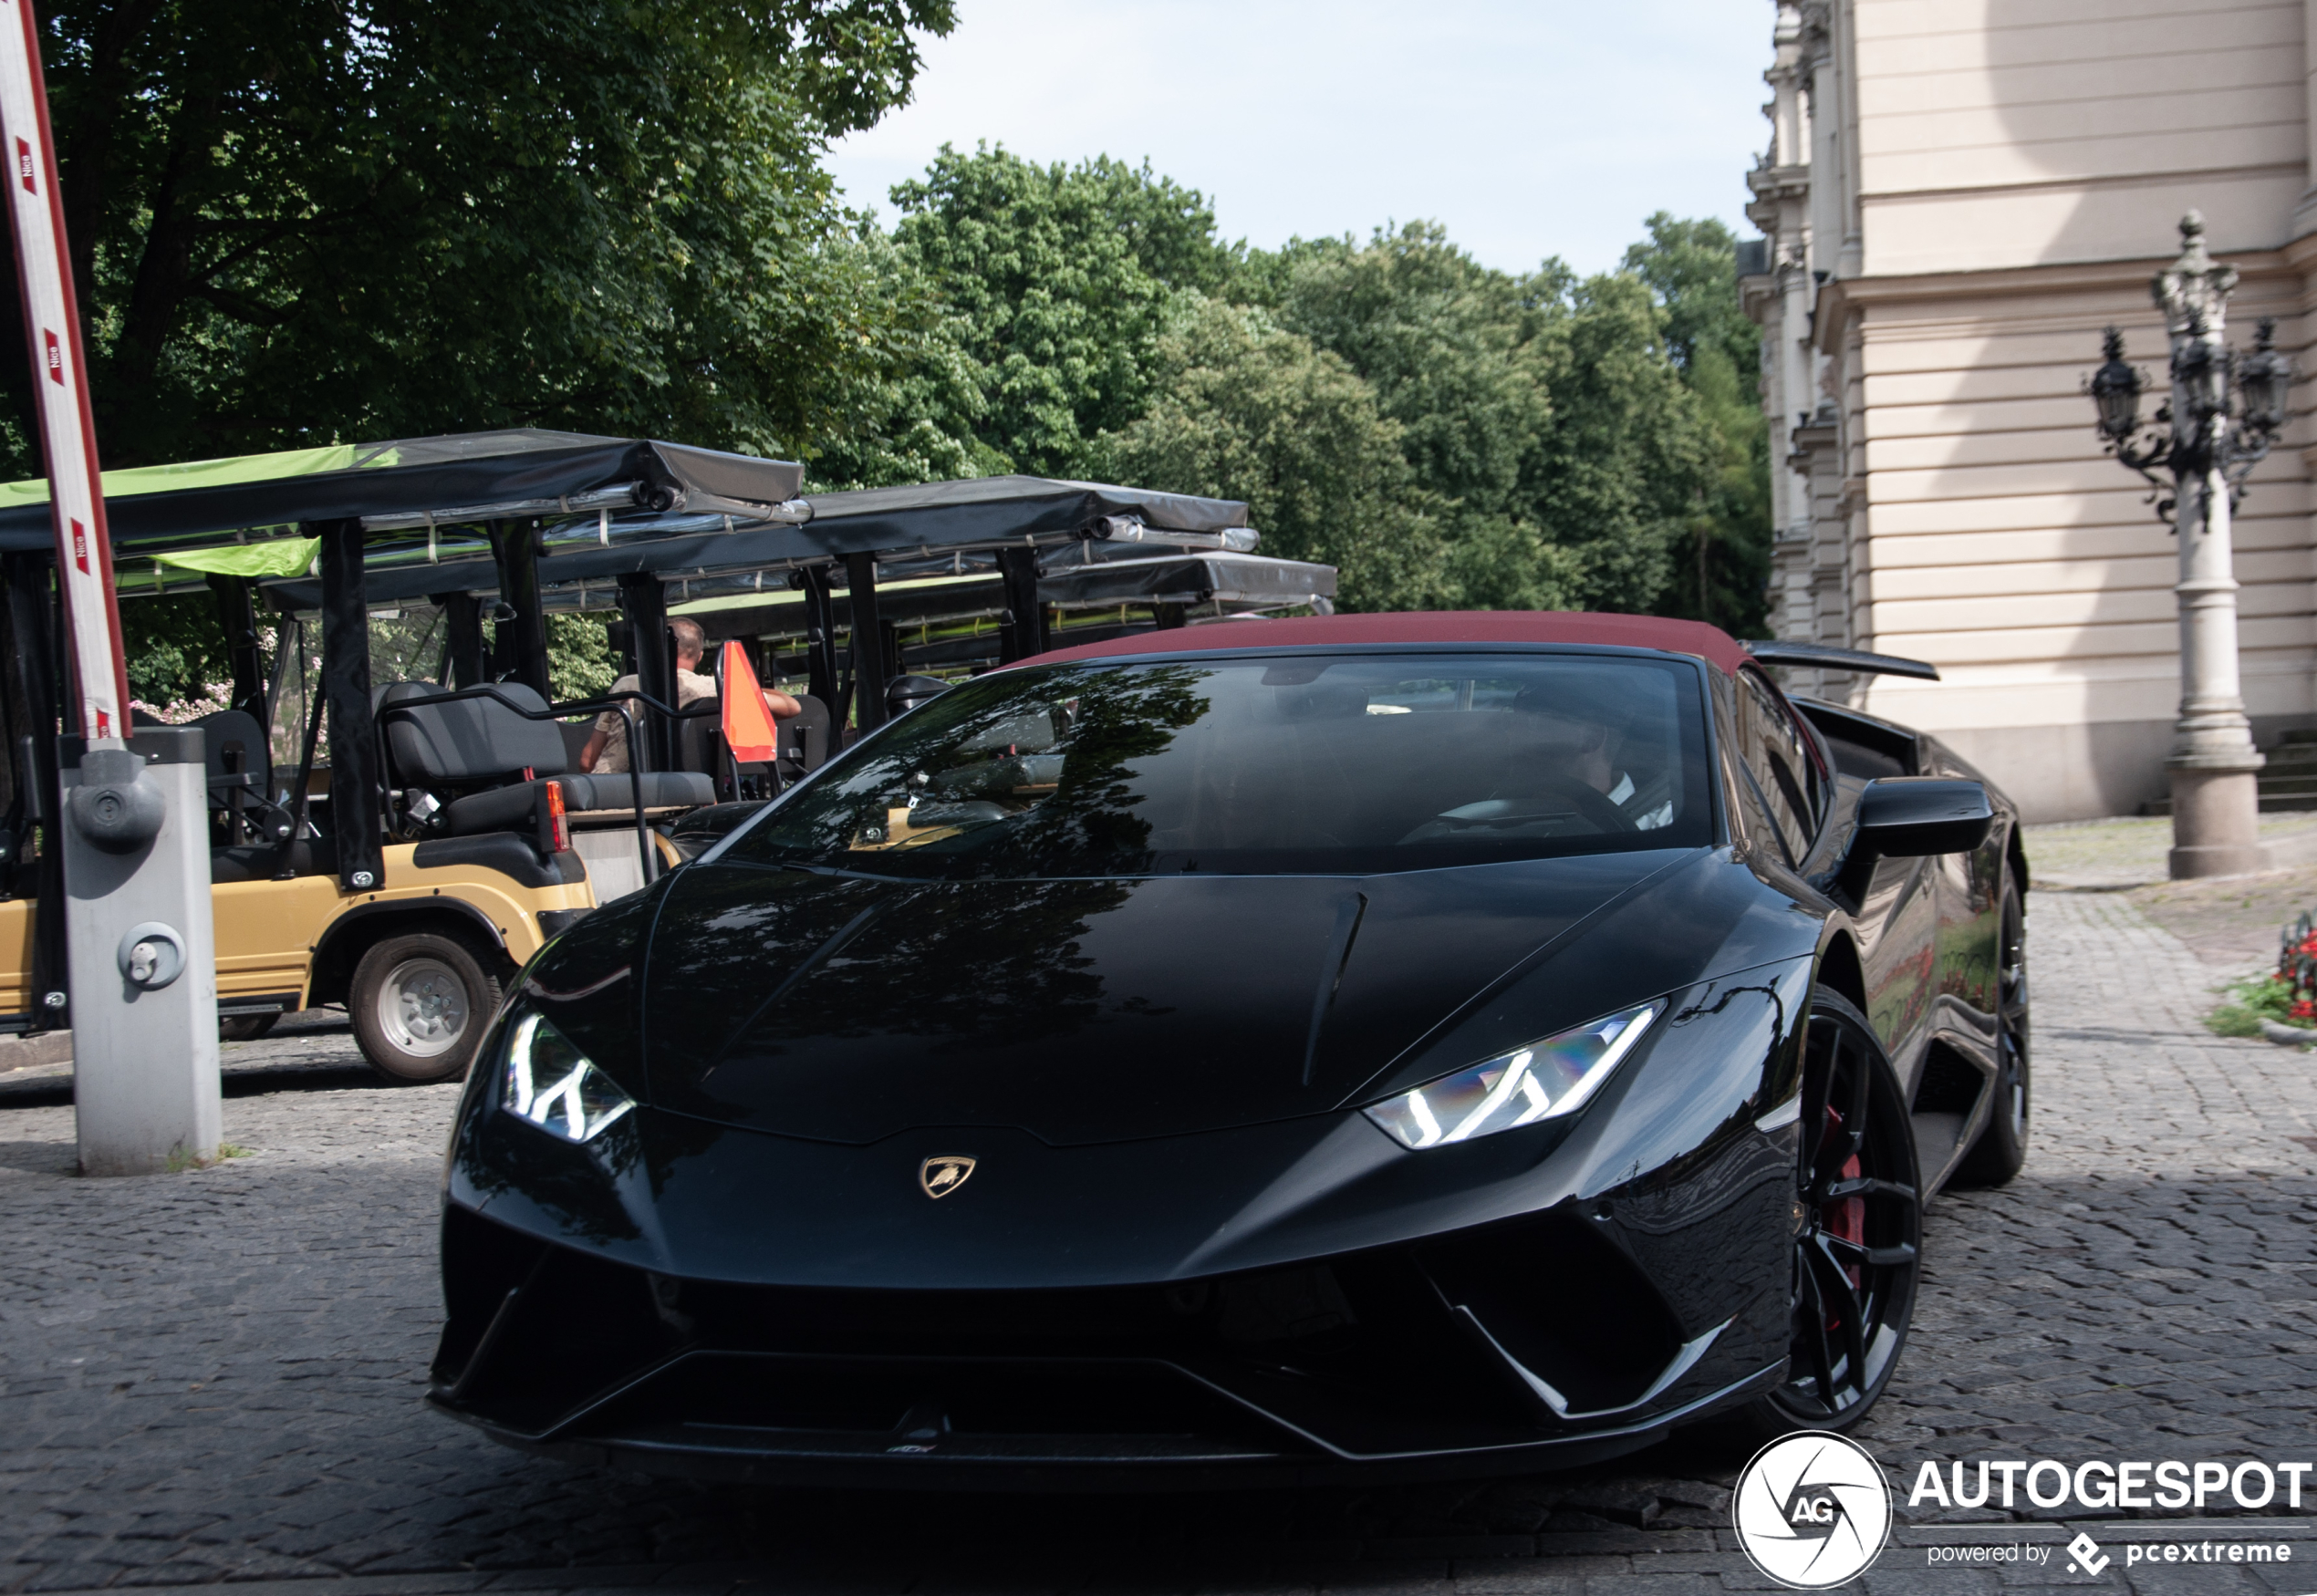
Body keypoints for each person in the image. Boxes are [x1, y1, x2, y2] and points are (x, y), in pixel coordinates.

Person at [580, 617, 800, 774]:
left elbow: (587, 760)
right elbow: (792, 706)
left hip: (616, 787)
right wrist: (750, 685)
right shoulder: (717, 688)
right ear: (700, 654)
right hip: (691, 788)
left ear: (660, 649)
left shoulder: (627, 684)